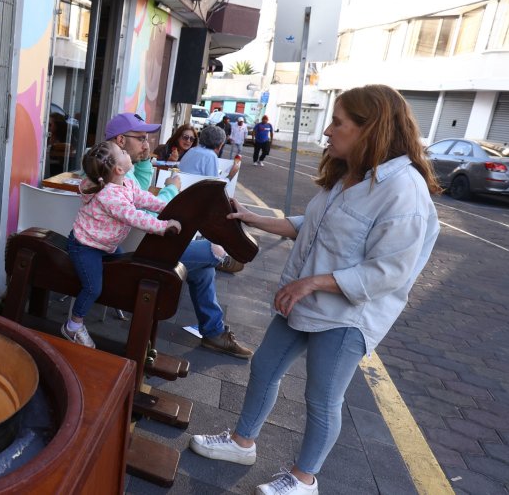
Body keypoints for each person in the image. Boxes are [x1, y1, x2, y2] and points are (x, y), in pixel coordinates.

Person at [189, 84, 441, 495]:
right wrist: (254, 218)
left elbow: (391, 270)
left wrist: (314, 282)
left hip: (347, 314)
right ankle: (242, 443)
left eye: (337, 123)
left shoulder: (403, 190)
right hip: (305, 298)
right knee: (265, 367)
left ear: (369, 128)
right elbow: (313, 224)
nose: (327, 131)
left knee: (322, 398)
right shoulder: (351, 174)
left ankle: (304, 479)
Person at [108, 113, 251, 354]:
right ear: (121, 141)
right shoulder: (114, 173)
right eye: (141, 138)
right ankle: (224, 257)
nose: (146, 143)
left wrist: (143, 160)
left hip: (140, 242)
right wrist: (171, 190)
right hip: (139, 249)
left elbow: (140, 190)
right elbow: (150, 215)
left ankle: (214, 332)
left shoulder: (115, 167)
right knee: (212, 250)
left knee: (203, 270)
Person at [62, 140, 181, 348]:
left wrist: (168, 209)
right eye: (123, 152)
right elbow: (134, 216)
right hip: (85, 246)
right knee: (92, 288)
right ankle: (73, 325)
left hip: (105, 245)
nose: (127, 152)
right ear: (118, 168)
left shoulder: (127, 183)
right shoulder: (110, 195)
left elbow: (144, 199)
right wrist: (163, 226)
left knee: (124, 270)